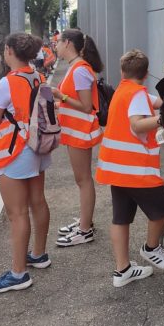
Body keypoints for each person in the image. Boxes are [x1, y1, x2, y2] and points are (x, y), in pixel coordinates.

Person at [95, 49, 164, 287]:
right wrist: (163, 119)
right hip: (135, 170)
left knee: (121, 218)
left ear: (123, 72)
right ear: (146, 73)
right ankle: (151, 248)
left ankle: (122, 271)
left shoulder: (124, 91)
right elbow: (138, 124)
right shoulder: (138, 94)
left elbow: (159, 101)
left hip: (116, 168)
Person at [0, 34, 52, 294]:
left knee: (17, 213)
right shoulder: (37, 76)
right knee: (38, 201)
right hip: (38, 146)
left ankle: (18, 274)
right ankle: (39, 254)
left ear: (9, 51)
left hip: (15, 151)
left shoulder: (6, 83)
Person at [51, 29, 103, 247]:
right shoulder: (77, 67)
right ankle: (85, 222)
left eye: (58, 42)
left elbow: (85, 105)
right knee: (82, 179)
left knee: (83, 180)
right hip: (75, 131)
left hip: (80, 132)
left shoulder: (80, 69)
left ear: (68, 43)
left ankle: (85, 229)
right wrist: (59, 102)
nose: (56, 45)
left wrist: (59, 96)